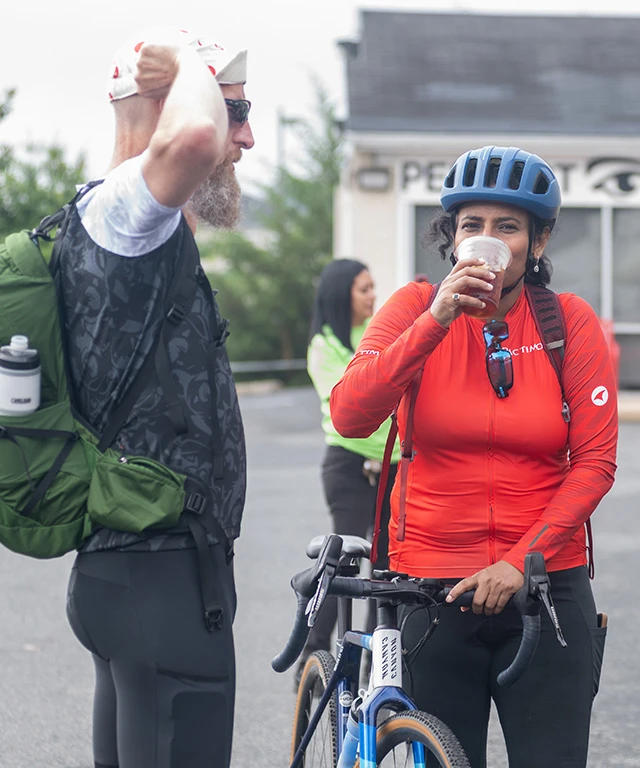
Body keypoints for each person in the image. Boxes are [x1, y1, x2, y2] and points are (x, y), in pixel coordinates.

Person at [331, 145, 617, 768]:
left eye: (507, 227)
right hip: (431, 591)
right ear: (450, 238)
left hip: (543, 587)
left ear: (536, 245)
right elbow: (350, 412)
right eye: (471, 225)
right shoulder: (413, 308)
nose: (486, 240)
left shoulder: (570, 323)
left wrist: (519, 563)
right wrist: (436, 319)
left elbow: (595, 463)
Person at [61, 28, 253, 768]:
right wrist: (184, 71)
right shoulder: (124, 213)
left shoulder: (116, 220)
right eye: (240, 111)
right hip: (159, 576)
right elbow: (198, 136)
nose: (247, 136)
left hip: (141, 575)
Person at [300, 259, 398, 678]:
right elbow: (354, 401)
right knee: (341, 561)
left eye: (374, 287)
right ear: (343, 294)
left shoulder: (377, 331)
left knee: (387, 565)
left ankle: (378, 659)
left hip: (394, 466)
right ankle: (314, 652)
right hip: (349, 466)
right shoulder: (323, 345)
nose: (373, 295)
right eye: (364, 289)